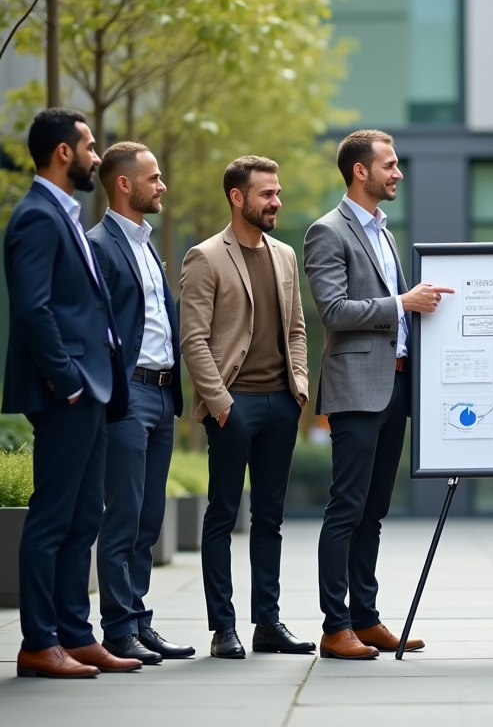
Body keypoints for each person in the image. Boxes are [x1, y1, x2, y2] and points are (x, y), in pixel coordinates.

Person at [304, 129, 454, 660]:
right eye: (389, 166)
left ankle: (365, 619)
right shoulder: (328, 231)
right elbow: (334, 312)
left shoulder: (385, 233)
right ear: (360, 171)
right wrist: (402, 302)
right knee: (346, 508)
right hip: (355, 390)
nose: (399, 174)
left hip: (395, 386)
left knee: (374, 511)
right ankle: (334, 625)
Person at [2, 108, 140, 678]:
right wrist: (69, 382)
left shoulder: (66, 215)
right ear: (64, 152)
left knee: (86, 517)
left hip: (94, 389)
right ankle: (39, 641)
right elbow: (32, 310)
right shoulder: (36, 216)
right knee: (53, 518)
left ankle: (75, 635)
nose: (95, 155)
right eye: (88, 146)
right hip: (70, 393)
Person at [180, 156, 314, 659]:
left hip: (281, 405)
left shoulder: (284, 256)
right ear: (238, 197)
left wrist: (297, 388)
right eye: (266, 194)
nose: (276, 202)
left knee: (271, 518)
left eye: (277, 193)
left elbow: (297, 328)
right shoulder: (206, 256)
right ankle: (223, 628)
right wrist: (220, 404)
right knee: (222, 515)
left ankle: (268, 623)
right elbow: (193, 340)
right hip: (233, 407)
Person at [86, 142, 195, 664]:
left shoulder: (148, 245)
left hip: (162, 393)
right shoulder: (99, 244)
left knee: (149, 517)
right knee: (123, 515)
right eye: (153, 177)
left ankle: (139, 621)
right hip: (128, 395)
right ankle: (117, 629)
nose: (162, 185)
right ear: (125, 184)